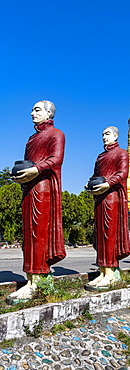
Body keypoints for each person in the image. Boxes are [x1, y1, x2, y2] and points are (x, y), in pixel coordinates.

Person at [10, 100, 66, 299]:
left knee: (39, 232)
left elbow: (55, 160)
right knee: (29, 234)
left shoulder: (56, 134)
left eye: (37, 110)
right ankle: (30, 279)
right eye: (32, 109)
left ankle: (39, 277)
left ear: (49, 114)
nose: (32, 113)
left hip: (43, 189)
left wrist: (35, 170)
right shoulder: (31, 139)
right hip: (29, 188)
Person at [86, 126, 130, 287]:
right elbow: (96, 175)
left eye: (107, 134)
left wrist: (107, 184)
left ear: (116, 136)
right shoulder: (100, 157)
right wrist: (90, 183)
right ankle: (102, 270)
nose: (104, 137)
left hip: (112, 198)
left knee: (110, 233)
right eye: (102, 134)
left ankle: (111, 272)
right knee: (100, 234)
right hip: (100, 198)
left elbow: (122, 174)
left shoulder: (122, 153)